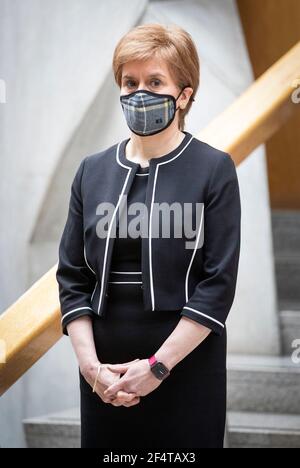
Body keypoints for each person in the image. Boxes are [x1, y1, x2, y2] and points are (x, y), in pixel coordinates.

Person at [56, 23, 241, 448]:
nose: (139, 92)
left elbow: (217, 285)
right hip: (105, 372)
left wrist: (157, 368)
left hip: (186, 365)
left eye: (155, 81)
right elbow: (72, 278)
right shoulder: (92, 170)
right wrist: (91, 368)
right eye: (130, 81)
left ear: (184, 94)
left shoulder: (214, 169)